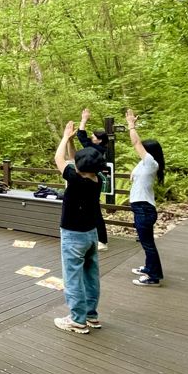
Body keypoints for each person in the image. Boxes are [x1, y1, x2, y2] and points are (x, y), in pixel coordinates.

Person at [53, 121, 104, 334]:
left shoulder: (75, 180)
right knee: (91, 275)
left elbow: (59, 158)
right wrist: (73, 141)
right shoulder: (97, 179)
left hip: (73, 236)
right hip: (91, 235)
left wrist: (65, 137)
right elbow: (76, 160)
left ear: (79, 167)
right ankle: (91, 315)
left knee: (72, 277)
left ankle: (77, 320)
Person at [126, 109, 165, 287]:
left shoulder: (151, 163)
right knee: (146, 243)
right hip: (141, 208)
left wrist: (131, 125)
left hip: (144, 209)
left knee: (148, 244)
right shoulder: (143, 164)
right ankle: (149, 268)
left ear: (149, 153)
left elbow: (136, 142)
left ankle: (154, 277)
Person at [77, 108, 109, 251]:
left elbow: (81, 136)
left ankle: (102, 240)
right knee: (91, 209)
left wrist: (84, 120)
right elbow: (83, 137)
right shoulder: (98, 148)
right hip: (93, 180)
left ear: (99, 140)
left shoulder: (97, 149)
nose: (91, 137)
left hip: (93, 180)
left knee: (95, 210)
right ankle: (93, 237)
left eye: (94, 136)